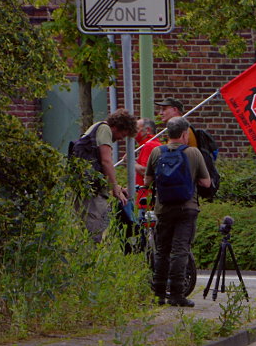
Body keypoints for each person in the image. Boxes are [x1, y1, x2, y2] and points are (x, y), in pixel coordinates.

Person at [145, 116, 210, 307]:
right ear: (184, 134)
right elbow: (206, 182)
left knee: (162, 251)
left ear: (168, 134)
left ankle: (158, 294)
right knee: (180, 251)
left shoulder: (157, 152)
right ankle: (176, 294)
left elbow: (147, 182)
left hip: (163, 209)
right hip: (186, 208)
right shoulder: (193, 153)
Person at [76, 109, 137, 243]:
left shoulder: (96, 129)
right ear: (117, 127)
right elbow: (106, 161)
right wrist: (114, 188)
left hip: (88, 188)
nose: (121, 138)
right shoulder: (105, 130)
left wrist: (117, 186)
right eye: (123, 134)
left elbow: (97, 168)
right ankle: (89, 258)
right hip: (91, 194)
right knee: (92, 233)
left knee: (94, 230)